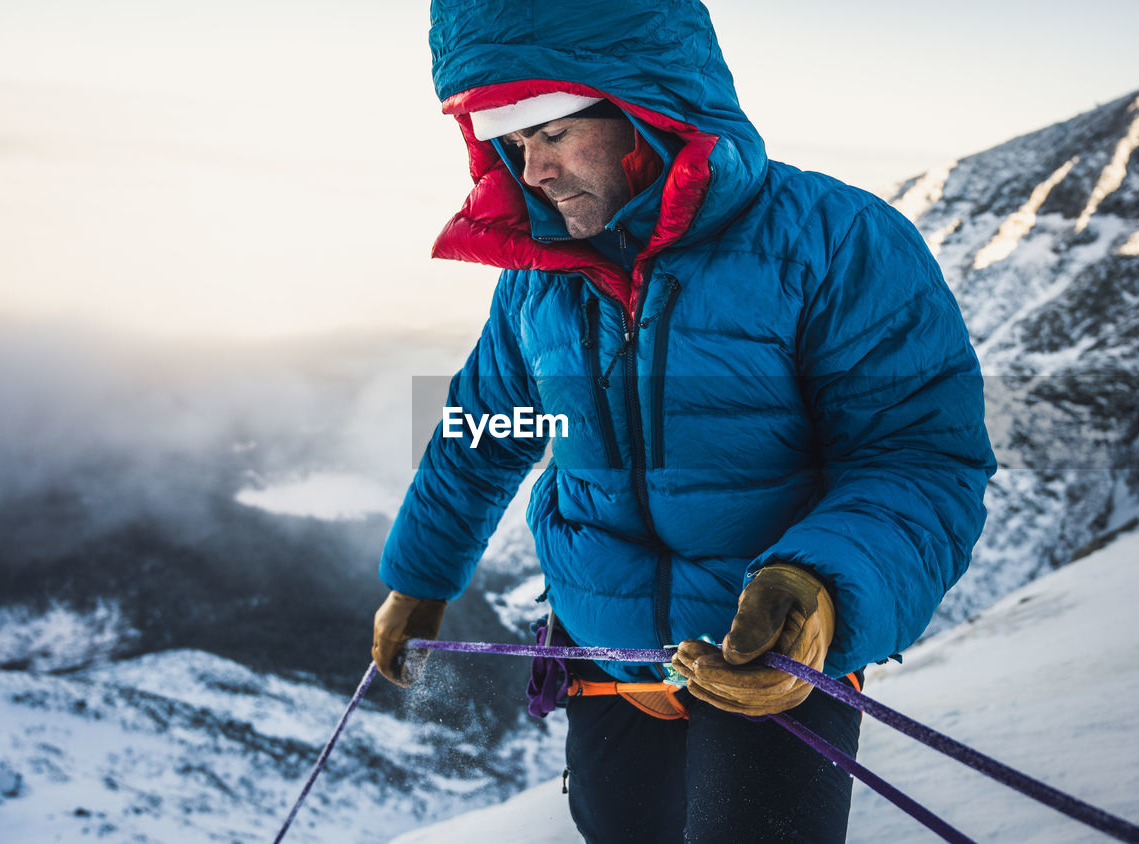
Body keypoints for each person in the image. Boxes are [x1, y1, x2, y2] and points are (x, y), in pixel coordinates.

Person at [372, 1, 996, 841]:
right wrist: (419, 577)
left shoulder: (840, 242)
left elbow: (917, 459)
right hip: (602, 655)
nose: (533, 172)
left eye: (550, 132)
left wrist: (821, 592)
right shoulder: (540, 278)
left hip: (771, 656)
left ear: (644, 112)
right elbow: (479, 434)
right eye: (511, 146)